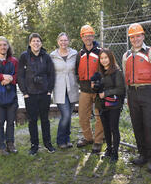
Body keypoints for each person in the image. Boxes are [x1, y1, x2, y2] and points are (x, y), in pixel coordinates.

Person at [122, 23, 151, 173]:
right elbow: (125, 77)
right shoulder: (126, 55)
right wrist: (127, 96)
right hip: (133, 93)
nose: (135, 39)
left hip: (149, 93)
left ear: (143, 36)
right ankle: (143, 155)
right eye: (132, 37)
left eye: (138, 36)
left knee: (149, 126)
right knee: (137, 126)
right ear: (130, 38)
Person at [17, 33, 56, 156]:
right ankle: (34, 145)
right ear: (30, 43)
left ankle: (48, 143)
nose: (36, 43)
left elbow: (51, 74)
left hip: (44, 93)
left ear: (41, 43)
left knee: (45, 120)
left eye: (38, 41)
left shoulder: (46, 57)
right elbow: (20, 76)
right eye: (33, 41)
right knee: (32, 120)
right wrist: (24, 92)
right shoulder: (24, 56)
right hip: (30, 94)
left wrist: (49, 90)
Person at [75, 24, 104, 153]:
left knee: (99, 116)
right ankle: (88, 138)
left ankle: (98, 141)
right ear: (82, 37)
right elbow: (76, 71)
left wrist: (100, 83)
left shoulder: (101, 51)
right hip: (85, 90)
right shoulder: (79, 54)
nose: (88, 38)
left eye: (90, 35)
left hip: (98, 90)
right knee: (82, 116)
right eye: (85, 36)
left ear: (93, 36)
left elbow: (107, 69)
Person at [94, 49, 125, 162]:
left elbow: (120, 89)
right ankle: (109, 149)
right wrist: (95, 86)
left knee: (113, 128)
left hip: (113, 105)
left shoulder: (117, 72)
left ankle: (115, 153)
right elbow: (98, 88)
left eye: (106, 58)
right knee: (106, 128)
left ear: (111, 58)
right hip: (102, 105)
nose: (103, 60)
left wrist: (106, 93)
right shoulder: (99, 72)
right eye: (101, 58)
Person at [50, 32, 79, 149]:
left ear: (69, 41)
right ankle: (60, 140)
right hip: (59, 89)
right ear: (58, 42)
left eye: (65, 40)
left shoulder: (75, 54)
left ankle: (67, 139)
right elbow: (49, 73)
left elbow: (78, 70)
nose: (63, 42)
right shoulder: (52, 56)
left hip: (72, 88)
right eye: (61, 40)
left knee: (69, 115)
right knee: (66, 115)